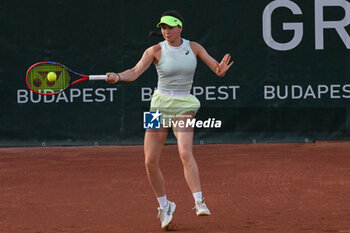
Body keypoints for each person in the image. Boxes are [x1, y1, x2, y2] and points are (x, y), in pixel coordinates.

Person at [105, 10, 233, 230]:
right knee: (149, 161)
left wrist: (220, 70)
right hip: (158, 106)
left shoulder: (194, 48)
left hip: (184, 104)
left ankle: (199, 200)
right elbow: (134, 72)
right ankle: (164, 206)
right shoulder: (154, 50)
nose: (166, 31)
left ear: (180, 28)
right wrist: (117, 76)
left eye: (170, 27)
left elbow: (216, 67)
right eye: (163, 28)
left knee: (184, 151)